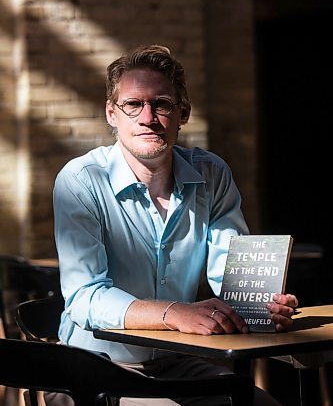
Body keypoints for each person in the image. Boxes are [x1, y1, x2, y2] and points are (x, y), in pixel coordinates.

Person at [52, 44, 298, 405]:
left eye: (162, 104)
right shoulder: (81, 181)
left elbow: (231, 272)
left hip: (177, 361)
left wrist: (262, 304)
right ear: (111, 114)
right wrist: (173, 313)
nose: (148, 117)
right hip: (93, 368)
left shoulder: (211, 173)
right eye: (133, 105)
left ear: (183, 113)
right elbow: (85, 297)